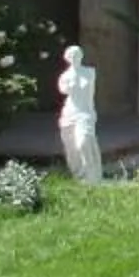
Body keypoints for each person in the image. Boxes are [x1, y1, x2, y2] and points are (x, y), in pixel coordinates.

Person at [56, 45, 101, 183]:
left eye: (77, 55)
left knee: (84, 142)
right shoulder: (64, 77)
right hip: (70, 113)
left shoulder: (89, 72)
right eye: (72, 55)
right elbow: (63, 90)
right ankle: (79, 175)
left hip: (85, 113)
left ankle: (93, 176)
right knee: (72, 148)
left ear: (81, 56)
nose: (75, 58)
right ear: (67, 58)